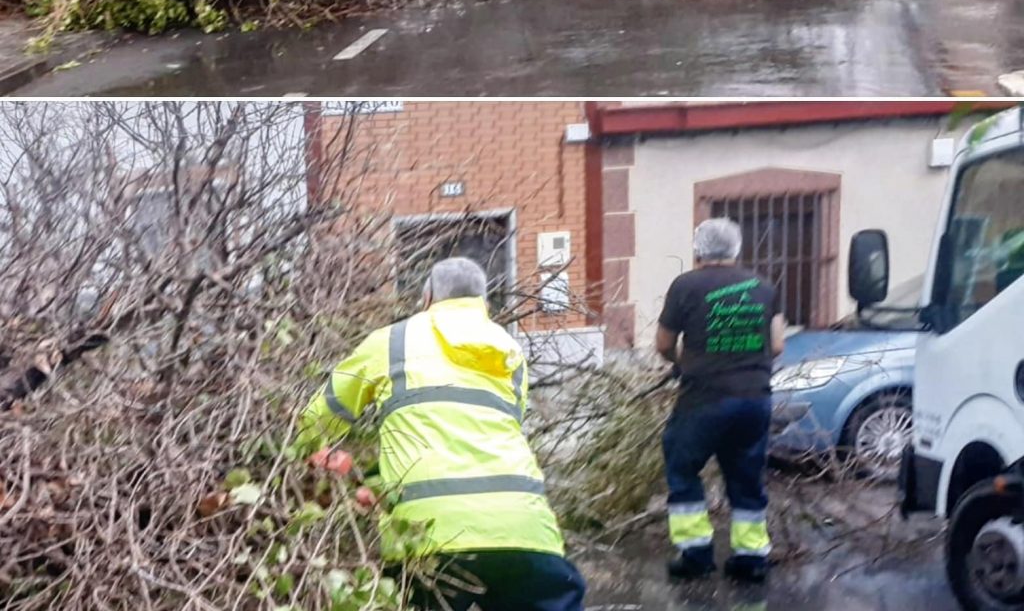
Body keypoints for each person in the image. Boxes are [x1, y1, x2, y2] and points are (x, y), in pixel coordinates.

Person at [298, 256, 586, 611]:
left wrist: (302, 455)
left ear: (427, 298)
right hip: (526, 531)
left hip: (429, 535)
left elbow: (321, 415)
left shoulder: (393, 341)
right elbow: (486, 434)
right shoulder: (509, 350)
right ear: (483, 304)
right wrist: (375, 483)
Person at [655, 218, 785, 584]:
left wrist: (682, 364)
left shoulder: (685, 286)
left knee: (682, 467)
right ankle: (751, 557)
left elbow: (664, 345)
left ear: (698, 249)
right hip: (755, 399)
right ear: (736, 249)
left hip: (704, 399)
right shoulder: (764, 287)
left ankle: (696, 555)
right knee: (746, 475)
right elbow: (776, 345)